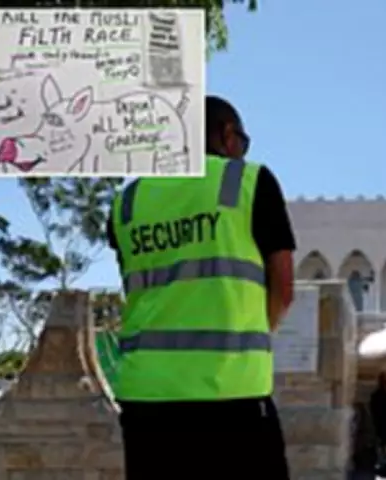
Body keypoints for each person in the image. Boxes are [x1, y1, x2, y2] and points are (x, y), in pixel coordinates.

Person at [106, 96, 297, 479]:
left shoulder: (126, 202)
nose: (242, 152)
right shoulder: (247, 182)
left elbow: (138, 288)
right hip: (231, 394)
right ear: (225, 133)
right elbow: (283, 287)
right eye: (242, 141)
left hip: (146, 399)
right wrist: (256, 332)